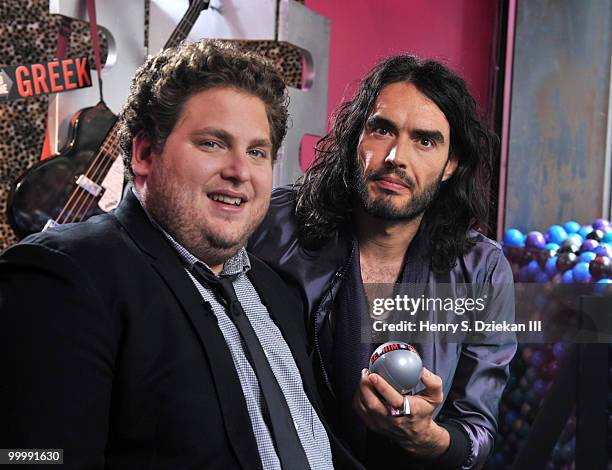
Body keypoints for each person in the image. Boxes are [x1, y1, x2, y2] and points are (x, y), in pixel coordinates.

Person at [0, 40, 362, 469]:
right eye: (212, 143)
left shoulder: (276, 292)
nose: (240, 171)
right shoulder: (65, 276)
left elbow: (311, 441)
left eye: (257, 152)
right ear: (144, 154)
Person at [249, 55, 517, 469]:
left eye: (425, 141)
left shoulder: (481, 270)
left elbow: (477, 432)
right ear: (357, 136)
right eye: (382, 129)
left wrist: (428, 437)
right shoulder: (271, 224)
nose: (396, 156)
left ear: (451, 165)